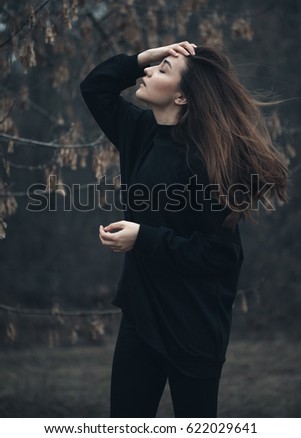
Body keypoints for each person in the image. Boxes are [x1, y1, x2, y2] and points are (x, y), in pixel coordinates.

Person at [80, 41, 288, 418]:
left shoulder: (208, 162)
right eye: (154, 67)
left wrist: (142, 237)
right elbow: (95, 87)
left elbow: (221, 254)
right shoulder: (139, 132)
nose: (147, 72)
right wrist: (148, 55)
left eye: (161, 71)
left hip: (194, 323)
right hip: (141, 315)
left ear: (181, 97)